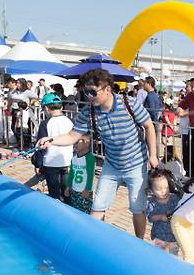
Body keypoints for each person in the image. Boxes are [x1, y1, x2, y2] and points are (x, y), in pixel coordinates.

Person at [37, 69, 159, 238]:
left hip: (136, 164)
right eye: (86, 91)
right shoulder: (89, 112)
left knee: (137, 208)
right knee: (97, 206)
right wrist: (51, 139)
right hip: (112, 165)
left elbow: (149, 126)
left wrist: (153, 155)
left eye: (93, 92)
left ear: (107, 89)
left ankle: (140, 243)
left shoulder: (128, 104)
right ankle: (91, 240)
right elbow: (72, 136)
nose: (88, 95)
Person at [34, 94, 74, 200]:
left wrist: (37, 164)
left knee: (54, 195)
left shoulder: (45, 124)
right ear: (61, 107)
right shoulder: (70, 121)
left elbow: (41, 147)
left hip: (51, 163)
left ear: (46, 108)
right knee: (67, 194)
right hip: (67, 162)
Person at [146, 168, 181, 255]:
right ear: (152, 190)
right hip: (159, 236)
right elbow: (150, 217)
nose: (163, 191)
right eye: (159, 189)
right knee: (159, 256)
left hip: (174, 236)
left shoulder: (174, 199)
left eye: (166, 187)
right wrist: (161, 217)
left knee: (173, 256)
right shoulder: (152, 203)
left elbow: (181, 210)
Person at [63, 137, 96, 213]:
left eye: (77, 142)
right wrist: (68, 187)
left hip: (84, 192)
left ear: (86, 143)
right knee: (75, 211)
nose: (75, 144)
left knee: (85, 213)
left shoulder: (90, 158)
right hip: (74, 191)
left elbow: (90, 176)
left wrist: (87, 189)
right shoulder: (74, 157)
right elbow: (71, 173)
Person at [7, 78, 36, 145]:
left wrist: (30, 103)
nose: (17, 84)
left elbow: (36, 97)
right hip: (15, 110)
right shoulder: (14, 91)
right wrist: (8, 107)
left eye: (19, 83)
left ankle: (27, 142)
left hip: (24, 110)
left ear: (22, 84)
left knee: (25, 127)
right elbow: (10, 99)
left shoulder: (27, 92)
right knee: (14, 127)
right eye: (17, 83)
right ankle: (20, 142)